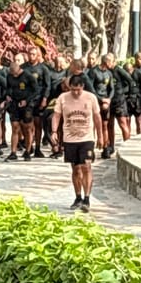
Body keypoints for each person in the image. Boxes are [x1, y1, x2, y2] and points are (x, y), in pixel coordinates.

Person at [51, 74, 102, 212]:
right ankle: (78, 196)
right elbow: (56, 115)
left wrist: (101, 136)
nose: (75, 93)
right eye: (73, 89)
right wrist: (54, 131)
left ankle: (87, 198)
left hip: (87, 137)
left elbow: (97, 117)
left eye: (78, 90)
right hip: (69, 138)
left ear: (83, 87)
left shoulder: (90, 97)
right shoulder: (63, 98)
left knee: (86, 166)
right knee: (75, 169)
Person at [4, 60, 37, 161]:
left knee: (27, 128)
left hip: (26, 104)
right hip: (14, 104)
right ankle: (13, 152)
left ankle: (27, 150)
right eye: (12, 73)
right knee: (15, 127)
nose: (14, 75)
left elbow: (35, 91)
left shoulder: (28, 76)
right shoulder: (9, 76)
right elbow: (8, 88)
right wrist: (8, 95)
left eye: (15, 73)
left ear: (19, 69)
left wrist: (26, 101)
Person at [23, 45, 51, 157]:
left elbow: (47, 85)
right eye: (30, 54)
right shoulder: (23, 68)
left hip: (39, 100)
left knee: (38, 124)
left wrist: (44, 98)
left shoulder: (43, 68)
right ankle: (28, 147)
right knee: (27, 126)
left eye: (34, 54)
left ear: (37, 55)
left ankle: (38, 148)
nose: (31, 56)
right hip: (27, 100)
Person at [105, 52, 134, 153]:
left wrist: (128, 95)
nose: (107, 63)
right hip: (109, 101)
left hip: (119, 101)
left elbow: (130, 81)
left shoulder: (119, 70)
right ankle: (111, 146)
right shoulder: (106, 71)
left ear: (114, 61)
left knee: (122, 124)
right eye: (106, 60)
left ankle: (128, 147)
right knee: (109, 125)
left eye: (109, 61)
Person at [90, 54, 114, 158]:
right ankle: (91, 149)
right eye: (111, 61)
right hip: (96, 100)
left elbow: (111, 88)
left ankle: (105, 147)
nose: (112, 63)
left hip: (106, 101)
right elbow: (91, 88)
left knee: (105, 125)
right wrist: (101, 99)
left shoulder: (109, 73)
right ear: (106, 62)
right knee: (93, 125)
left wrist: (108, 99)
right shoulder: (94, 72)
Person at [125, 58, 141, 135]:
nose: (129, 73)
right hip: (127, 99)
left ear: (132, 69)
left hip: (137, 99)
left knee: (138, 119)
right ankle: (127, 137)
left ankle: (140, 135)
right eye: (127, 71)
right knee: (127, 119)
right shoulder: (123, 75)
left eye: (130, 70)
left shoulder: (139, 73)